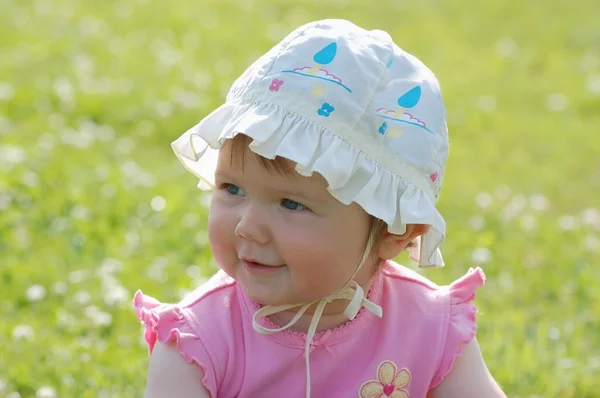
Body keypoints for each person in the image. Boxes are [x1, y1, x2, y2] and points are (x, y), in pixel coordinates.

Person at [133, 19, 506, 398]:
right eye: (232, 188)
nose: (247, 226)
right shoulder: (199, 341)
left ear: (397, 231)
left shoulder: (429, 328)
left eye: (292, 204)